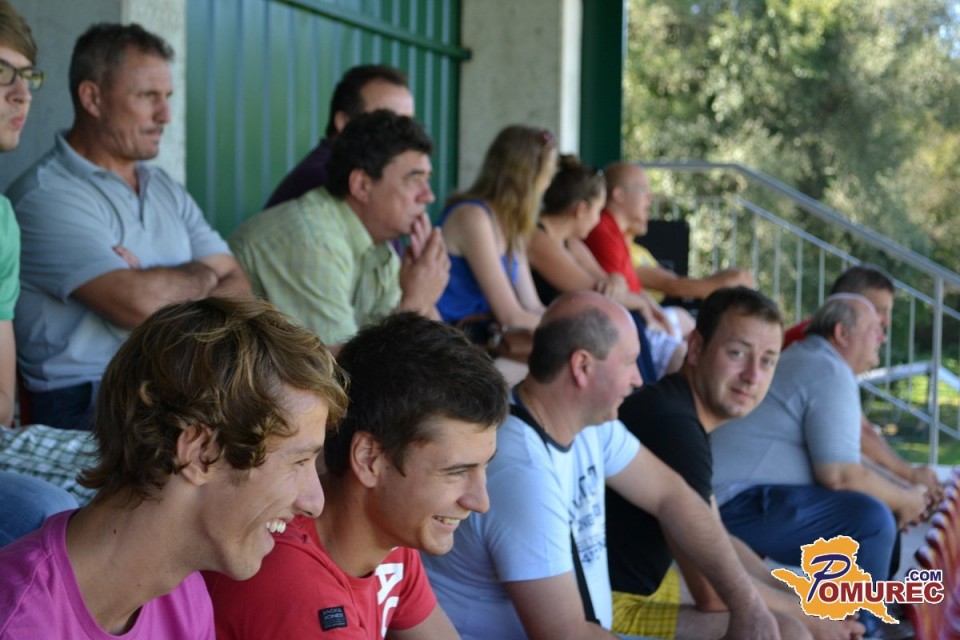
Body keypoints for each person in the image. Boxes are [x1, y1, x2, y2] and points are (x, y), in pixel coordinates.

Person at [422, 291, 780, 640]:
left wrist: (748, 605)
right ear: (582, 367)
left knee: (782, 630)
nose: (638, 379)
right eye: (629, 362)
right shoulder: (522, 470)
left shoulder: (591, 425)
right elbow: (566, 633)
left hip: (596, 621)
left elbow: (672, 496)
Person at [0, 297, 348, 637]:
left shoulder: (184, 596)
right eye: (299, 461)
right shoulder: (17, 622)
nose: (314, 503)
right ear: (200, 453)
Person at [7, 22, 251, 431]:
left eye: (167, 97)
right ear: (92, 98)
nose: (165, 115)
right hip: (89, 401)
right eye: (148, 96)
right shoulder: (44, 195)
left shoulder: (165, 188)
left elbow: (239, 287)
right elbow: (137, 303)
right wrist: (205, 274)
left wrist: (164, 280)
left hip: (179, 384)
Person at [206, 312, 509, 638]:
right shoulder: (296, 588)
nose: (480, 501)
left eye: (484, 466)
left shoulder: (390, 536)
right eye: (456, 472)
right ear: (369, 459)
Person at [608, 287, 863, 640]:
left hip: (643, 587)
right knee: (788, 633)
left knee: (791, 610)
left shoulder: (681, 412)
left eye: (768, 360)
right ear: (696, 349)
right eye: (737, 353)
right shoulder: (672, 426)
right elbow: (714, 594)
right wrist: (812, 619)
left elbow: (716, 535)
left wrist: (798, 596)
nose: (752, 375)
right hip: (611, 607)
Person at [711, 294, 929, 637]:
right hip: (727, 506)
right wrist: (905, 499)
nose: (883, 337)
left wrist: (901, 494)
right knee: (870, 519)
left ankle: (858, 615)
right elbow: (840, 476)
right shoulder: (827, 369)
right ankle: (863, 629)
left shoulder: (814, 359)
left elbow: (848, 459)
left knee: (879, 509)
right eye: (874, 329)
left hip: (739, 499)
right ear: (842, 334)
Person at [229, 110, 448, 352]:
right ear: (361, 185)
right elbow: (333, 367)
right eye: (414, 180)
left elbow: (433, 351)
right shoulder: (312, 240)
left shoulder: (379, 244)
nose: (428, 196)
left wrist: (425, 297)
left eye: (427, 180)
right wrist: (417, 302)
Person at [0, 0, 82, 546]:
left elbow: (1, 405)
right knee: (49, 512)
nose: (21, 93)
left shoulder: (2, 219)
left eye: (27, 76)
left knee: (160, 478)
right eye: (1, 73)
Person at [783, 265, 943, 502]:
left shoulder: (820, 345)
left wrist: (905, 480)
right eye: (877, 311)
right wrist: (907, 479)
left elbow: (861, 429)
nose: (885, 322)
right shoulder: (816, 347)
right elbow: (857, 440)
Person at [529, 155, 685, 383]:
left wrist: (615, 280)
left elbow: (607, 280)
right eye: (598, 211)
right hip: (543, 331)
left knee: (630, 317)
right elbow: (595, 290)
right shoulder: (539, 239)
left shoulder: (570, 241)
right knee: (629, 316)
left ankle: (642, 390)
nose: (597, 221)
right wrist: (641, 302)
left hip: (564, 326)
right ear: (581, 210)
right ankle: (640, 393)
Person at [583, 163, 688, 379]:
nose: (650, 197)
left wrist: (651, 307)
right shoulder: (601, 231)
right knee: (688, 357)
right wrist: (645, 306)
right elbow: (616, 297)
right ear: (619, 195)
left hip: (636, 319)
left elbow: (632, 287)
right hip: (623, 325)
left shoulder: (617, 234)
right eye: (643, 190)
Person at [265, 64, 414, 208]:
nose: (404, 134)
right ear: (344, 122)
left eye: (407, 124)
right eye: (387, 122)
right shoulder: (328, 180)